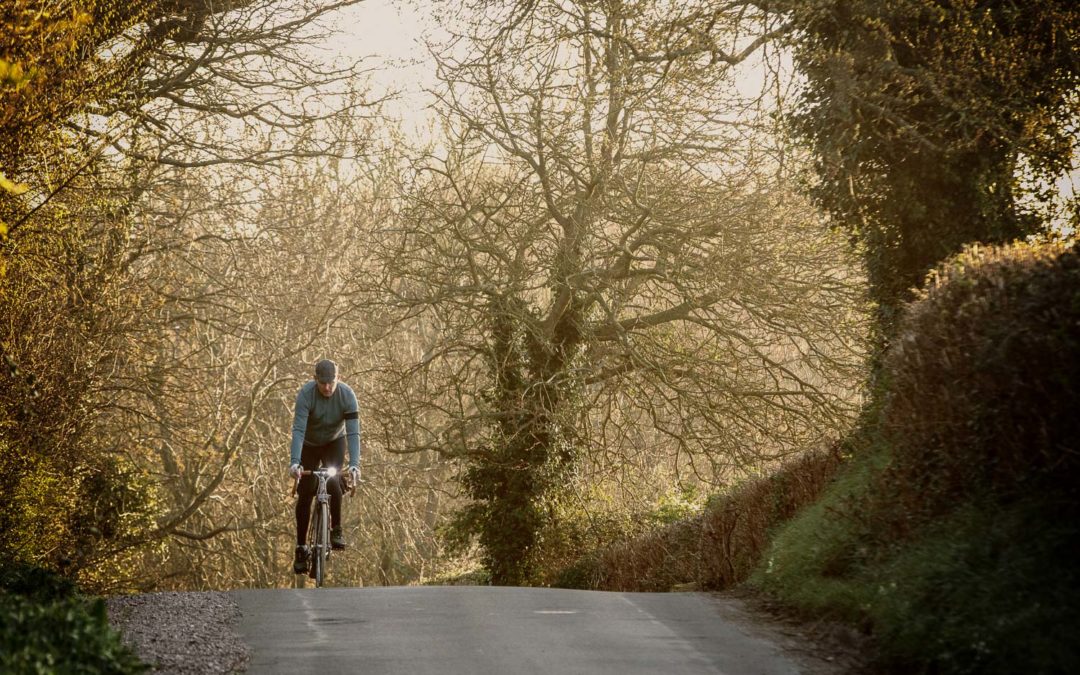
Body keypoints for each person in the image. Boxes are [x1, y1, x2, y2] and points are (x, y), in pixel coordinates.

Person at [288, 358, 362, 574]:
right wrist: (295, 462)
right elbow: (298, 430)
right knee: (306, 491)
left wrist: (355, 464)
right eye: (323, 383)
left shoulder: (347, 396)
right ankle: (301, 547)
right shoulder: (306, 394)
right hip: (309, 445)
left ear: (338, 379)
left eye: (331, 382)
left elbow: (354, 433)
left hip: (334, 442)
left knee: (334, 479)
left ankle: (336, 528)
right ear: (315, 380)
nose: (327, 387)